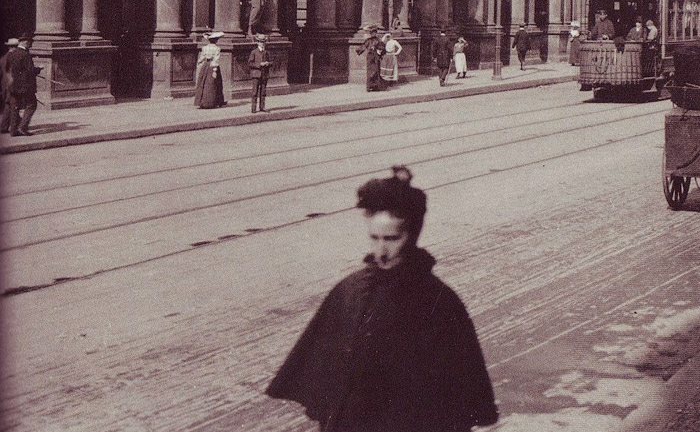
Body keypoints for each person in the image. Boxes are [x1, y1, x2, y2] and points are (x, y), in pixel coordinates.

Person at [266, 166, 498, 432]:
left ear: (412, 235)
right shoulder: (349, 291)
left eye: (392, 238)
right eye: (374, 238)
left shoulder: (438, 301)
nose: (381, 251)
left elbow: (457, 394)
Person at [2, 34, 39, 136]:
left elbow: (9, 69)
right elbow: (30, 70)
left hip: (14, 86)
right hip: (26, 86)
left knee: (15, 107)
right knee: (32, 105)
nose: (30, 45)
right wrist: (38, 69)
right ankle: (23, 127)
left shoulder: (12, 54)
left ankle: (13, 130)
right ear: (26, 42)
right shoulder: (25, 55)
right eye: (30, 43)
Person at [195, 32, 225, 109]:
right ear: (216, 40)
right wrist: (214, 70)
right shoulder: (217, 48)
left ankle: (201, 102)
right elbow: (216, 59)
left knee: (203, 83)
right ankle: (213, 102)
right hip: (212, 66)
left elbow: (201, 58)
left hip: (206, 65)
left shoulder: (204, 48)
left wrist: (199, 64)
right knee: (214, 83)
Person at [248, 33, 271, 113]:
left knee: (263, 92)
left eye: (264, 42)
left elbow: (271, 62)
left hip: (264, 74)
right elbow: (250, 63)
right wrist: (259, 65)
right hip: (256, 75)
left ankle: (262, 107)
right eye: (261, 42)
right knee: (254, 92)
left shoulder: (266, 52)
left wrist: (268, 63)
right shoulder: (254, 52)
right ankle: (253, 108)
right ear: (257, 42)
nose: (262, 43)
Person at [358, 26, 385, 92]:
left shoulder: (379, 40)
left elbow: (382, 47)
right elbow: (363, 46)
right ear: (370, 33)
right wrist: (359, 52)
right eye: (372, 32)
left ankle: (376, 86)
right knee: (370, 72)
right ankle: (369, 86)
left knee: (376, 71)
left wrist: (380, 51)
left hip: (376, 57)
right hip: (370, 57)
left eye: (375, 32)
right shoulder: (368, 40)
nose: (374, 34)